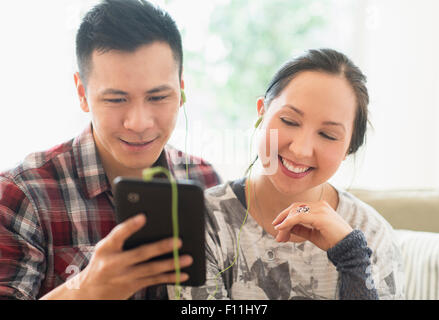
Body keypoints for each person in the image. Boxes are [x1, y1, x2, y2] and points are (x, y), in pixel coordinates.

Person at [0, 0, 221, 300]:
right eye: (116, 100)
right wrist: (88, 289)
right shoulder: (23, 194)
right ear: (82, 93)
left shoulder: (204, 180)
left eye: (158, 97)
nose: (139, 123)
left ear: (181, 91)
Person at [173, 49, 404, 300]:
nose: (301, 149)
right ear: (262, 112)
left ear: (349, 147)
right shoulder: (200, 220)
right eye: (289, 121)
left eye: (327, 135)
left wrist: (353, 261)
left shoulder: (371, 235)